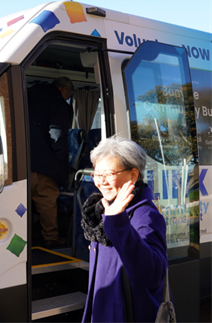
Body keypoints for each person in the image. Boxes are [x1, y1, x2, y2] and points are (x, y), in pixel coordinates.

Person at [80, 136, 168, 323]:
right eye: (96, 174)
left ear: (133, 175)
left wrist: (117, 223)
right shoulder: (103, 210)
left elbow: (153, 274)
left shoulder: (145, 215)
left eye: (109, 174)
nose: (101, 182)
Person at [28, 77, 74, 248]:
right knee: (46, 199)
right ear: (63, 90)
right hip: (43, 163)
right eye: (68, 96)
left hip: (20, 162)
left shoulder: (27, 97)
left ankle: (27, 232)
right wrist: (61, 166)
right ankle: (50, 237)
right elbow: (58, 136)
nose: (67, 99)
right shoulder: (58, 103)